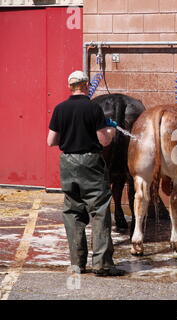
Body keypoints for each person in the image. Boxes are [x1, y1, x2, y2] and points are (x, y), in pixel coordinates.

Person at [47, 70, 124, 277]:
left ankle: (77, 263)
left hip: (68, 164)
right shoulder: (93, 108)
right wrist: (112, 130)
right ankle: (102, 265)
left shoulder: (59, 109)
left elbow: (51, 141)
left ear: (70, 86)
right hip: (90, 162)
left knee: (73, 212)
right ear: (87, 85)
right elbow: (103, 141)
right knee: (99, 211)